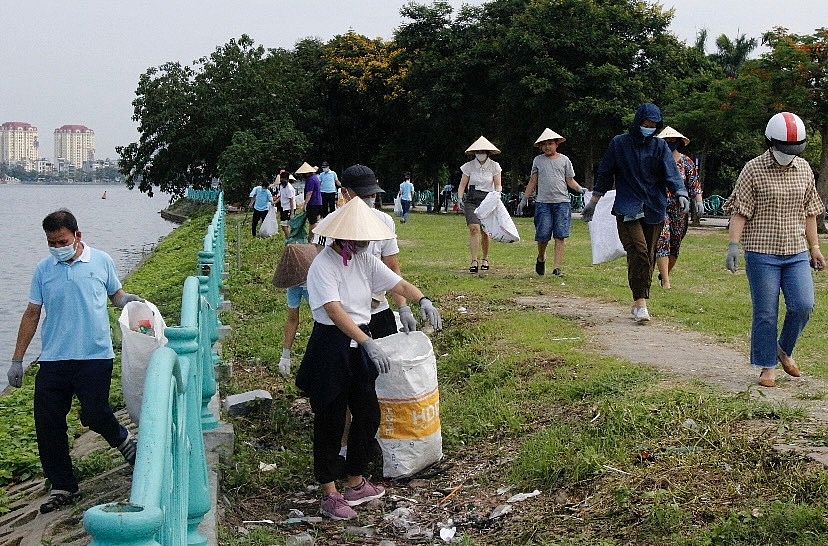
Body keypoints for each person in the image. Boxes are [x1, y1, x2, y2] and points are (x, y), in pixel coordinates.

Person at [296, 196, 442, 521]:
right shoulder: (323, 265)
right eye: (358, 239)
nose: (363, 244)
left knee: (368, 413)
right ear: (343, 237)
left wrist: (421, 300)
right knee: (331, 419)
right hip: (332, 345)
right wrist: (365, 341)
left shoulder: (363, 259)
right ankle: (329, 491)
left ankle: (355, 479)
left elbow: (396, 280)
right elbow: (333, 311)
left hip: (360, 341)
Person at [7, 209, 143, 514]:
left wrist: (127, 300)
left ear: (77, 236)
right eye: (51, 243)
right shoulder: (44, 270)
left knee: (95, 413)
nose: (57, 248)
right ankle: (62, 485)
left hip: (95, 356)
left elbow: (115, 295)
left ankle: (123, 441)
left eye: (62, 241)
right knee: (47, 423)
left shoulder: (101, 261)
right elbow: (32, 313)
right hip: (54, 359)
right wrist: (18, 359)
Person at [724, 112, 825, 388]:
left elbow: (810, 213)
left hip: (795, 252)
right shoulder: (753, 169)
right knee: (766, 312)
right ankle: (767, 365)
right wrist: (734, 245)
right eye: (783, 149)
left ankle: (783, 349)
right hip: (761, 253)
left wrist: (814, 247)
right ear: (770, 142)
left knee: (803, 305)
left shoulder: (803, 169)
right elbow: (740, 212)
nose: (787, 155)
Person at [581, 103, 690, 323]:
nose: (648, 128)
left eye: (653, 125)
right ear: (637, 121)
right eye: (645, 124)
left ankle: (639, 299)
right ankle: (641, 303)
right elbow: (605, 173)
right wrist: (593, 201)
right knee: (639, 251)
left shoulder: (659, 147)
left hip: (654, 207)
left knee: (647, 256)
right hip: (627, 207)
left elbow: (671, 173)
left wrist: (681, 193)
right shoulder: (619, 144)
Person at [518, 128, 586, 276]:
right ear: (541, 146)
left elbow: (570, 180)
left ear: (556, 144)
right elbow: (533, 181)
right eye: (545, 144)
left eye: (550, 143)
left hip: (562, 202)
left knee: (560, 235)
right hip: (543, 203)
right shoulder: (538, 161)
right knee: (542, 235)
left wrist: (581, 189)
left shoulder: (564, 160)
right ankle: (541, 257)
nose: (548, 147)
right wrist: (524, 199)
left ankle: (557, 267)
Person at [653, 127, 704, 289]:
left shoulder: (686, 162)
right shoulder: (655, 161)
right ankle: (666, 282)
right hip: (659, 206)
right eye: (666, 141)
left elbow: (694, 184)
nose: (669, 143)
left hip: (680, 209)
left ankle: (664, 274)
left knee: (675, 243)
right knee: (663, 239)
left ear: (679, 142)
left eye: (672, 141)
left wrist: (698, 201)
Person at [457, 136, 503, 273]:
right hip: (472, 199)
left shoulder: (494, 166)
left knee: (485, 231)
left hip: (488, 199)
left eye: (483, 151)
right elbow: (462, 185)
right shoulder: (469, 166)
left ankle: (485, 258)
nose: (480, 154)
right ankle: (473, 260)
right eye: (478, 151)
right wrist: (459, 198)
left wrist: (497, 195)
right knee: (474, 228)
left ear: (488, 152)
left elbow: (498, 184)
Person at [301, 165, 323, 241]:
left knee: (312, 222)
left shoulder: (310, 179)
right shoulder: (315, 178)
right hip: (318, 202)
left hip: (313, 203)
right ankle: (315, 237)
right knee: (316, 220)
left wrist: (305, 204)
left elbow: (309, 192)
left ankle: (310, 238)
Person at [276, 170, 296, 238]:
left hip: (289, 208)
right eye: (281, 179)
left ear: (287, 179)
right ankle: (288, 237)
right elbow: (281, 196)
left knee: (284, 225)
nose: (282, 180)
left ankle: (289, 239)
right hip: (283, 207)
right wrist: (274, 202)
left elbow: (291, 200)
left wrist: (292, 213)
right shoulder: (281, 186)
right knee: (283, 226)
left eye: (284, 179)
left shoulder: (289, 188)